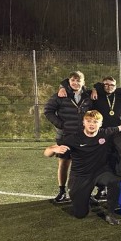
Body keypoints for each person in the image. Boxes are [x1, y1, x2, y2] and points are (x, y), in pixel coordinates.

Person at [43, 110, 121, 222]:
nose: (92, 124)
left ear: (100, 124)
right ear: (83, 122)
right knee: (80, 214)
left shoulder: (105, 133)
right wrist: (54, 149)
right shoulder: (74, 138)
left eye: (95, 122)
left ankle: (110, 213)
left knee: (114, 181)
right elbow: (47, 153)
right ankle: (85, 198)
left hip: (100, 173)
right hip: (81, 175)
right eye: (89, 121)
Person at [45, 71, 93, 202]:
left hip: (83, 136)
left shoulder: (88, 95)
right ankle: (62, 191)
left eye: (78, 80)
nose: (75, 83)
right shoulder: (60, 95)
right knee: (64, 163)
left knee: (84, 164)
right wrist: (61, 124)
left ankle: (85, 192)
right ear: (69, 81)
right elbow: (48, 111)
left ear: (83, 82)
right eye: (73, 80)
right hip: (65, 135)